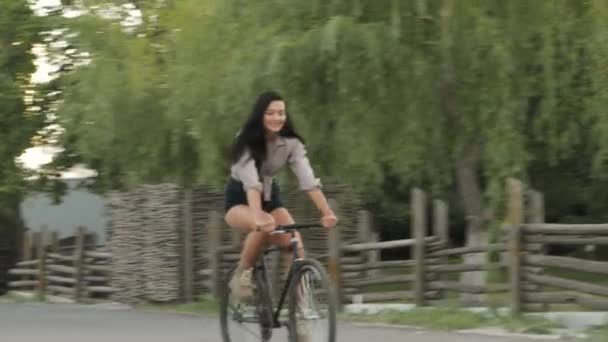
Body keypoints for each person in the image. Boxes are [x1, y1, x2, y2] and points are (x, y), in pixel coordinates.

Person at [224, 90, 338, 303]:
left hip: (270, 195)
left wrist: (327, 212)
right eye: (270, 113)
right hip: (240, 196)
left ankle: (301, 306)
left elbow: (308, 180)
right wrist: (258, 215)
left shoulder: (291, 142)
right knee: (263, 224)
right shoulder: (246, 139)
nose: (277, 118)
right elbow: (251, 183)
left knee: (294, 241)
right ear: (260, 115)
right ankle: (242, 274)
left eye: (281, 113)